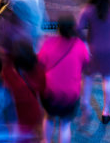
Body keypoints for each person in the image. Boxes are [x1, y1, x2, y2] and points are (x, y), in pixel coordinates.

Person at [38, 15, 90, 143]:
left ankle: (46, 140)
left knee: (48, 117)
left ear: (58, 28)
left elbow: (40, 64)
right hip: (71, 94)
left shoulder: (48, 43)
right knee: (65, 124)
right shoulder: (80, 45)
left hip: (51, 92)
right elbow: (86, 65)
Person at [0, 41, 46, 141]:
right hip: (33, 119)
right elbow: (43, 94)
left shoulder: (7, 73)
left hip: (15, 121)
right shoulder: (39, 69)